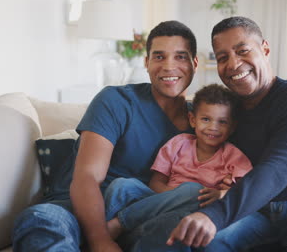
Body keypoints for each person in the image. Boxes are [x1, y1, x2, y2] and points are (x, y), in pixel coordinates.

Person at [167, 16, 287, 251]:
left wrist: (214, 215)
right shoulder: (227, 111)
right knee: (204, 240)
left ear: (264, 49)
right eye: (223, 57)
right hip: (254, 212)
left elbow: (276, 169)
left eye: (242, 51)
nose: (234, 64)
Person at [12, 20, 200, 252]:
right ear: (147, 62)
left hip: (142, 219)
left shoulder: (205, 124)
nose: (169, 66)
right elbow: (87, 177)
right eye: (159, 57)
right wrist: (101, 241)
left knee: (180, 225)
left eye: (180, 57)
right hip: (75, 213)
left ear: (195, 63)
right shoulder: (117, 101)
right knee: (40, 219)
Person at [105, 84, 252, 241]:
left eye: (222, 122)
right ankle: (102, 233)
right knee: (121, 185)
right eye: (206, 119)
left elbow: (248, 191)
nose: (213, 127)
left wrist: (222, 193)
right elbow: (155, 183)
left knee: (193, 190)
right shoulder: (178, 143)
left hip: (196, 209)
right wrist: (174, 197)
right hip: (157, 200)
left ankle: (120, 223)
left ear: (232, 127)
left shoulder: (233, 156)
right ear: (193, 120)